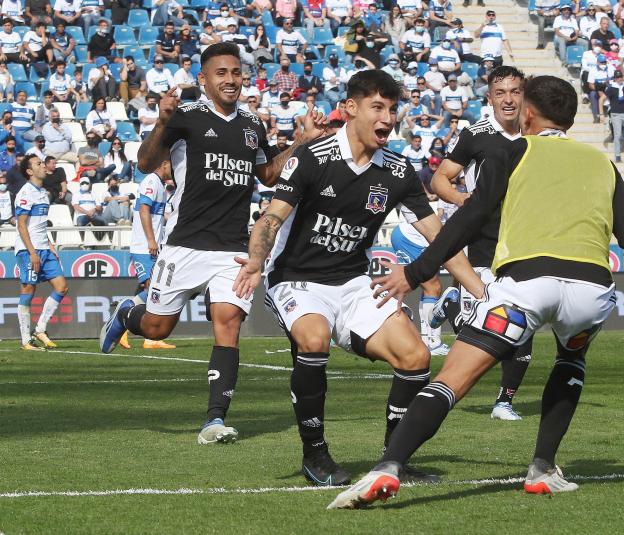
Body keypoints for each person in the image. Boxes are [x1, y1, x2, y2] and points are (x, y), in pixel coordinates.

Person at [328, 75, 624, 509]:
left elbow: (470, 218)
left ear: (527, 113)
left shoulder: (513, 150)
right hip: (590, 291)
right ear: (571, 118)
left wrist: (416, 272)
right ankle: (543, 468)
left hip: (524, 286)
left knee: (453, 380)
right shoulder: (603, 164)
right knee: (570, 360)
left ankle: (388, 467)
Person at [231, 69, 484, 487]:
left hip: (353, 281)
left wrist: (481, 292)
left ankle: (393, 457)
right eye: (377, 107)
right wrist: (256, 261)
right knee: (312, 340)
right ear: (351, 109)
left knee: (416, 357)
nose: (388, 117)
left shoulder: (399, 171)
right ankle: (315, 454)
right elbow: (271, 217)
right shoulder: (312, 156)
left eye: (392, 108)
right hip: (296, 278)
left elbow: (440, 239)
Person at [99, 42, 327, 446]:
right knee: (157, 325)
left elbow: (270, 175)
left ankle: (214, 420)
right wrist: (161, 123)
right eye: (221, 73)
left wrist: (302, 140)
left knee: (229, 323)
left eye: (236, 72)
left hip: (232, 249)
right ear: (204, 80)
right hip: (184, 244)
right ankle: (128, 314)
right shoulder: (185, 117)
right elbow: (146, 163)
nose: (231, 80)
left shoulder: (253, 125)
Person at [429, 66, 533, 421]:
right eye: (501, 92)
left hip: (526, 241)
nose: (508, 99)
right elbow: (441, 179)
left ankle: (504, 402)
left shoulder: (537, 135)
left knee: (524, 324)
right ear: (490, 98)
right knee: (491, 329)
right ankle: (456, 305)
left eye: (515, 92)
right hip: (486, 244)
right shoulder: (476, 135)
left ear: (524, 95)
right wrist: (466, 202)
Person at [119, 160, 177, 351]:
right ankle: (123, 317)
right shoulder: (151, 181)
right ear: (164, 163)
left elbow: (156, 216)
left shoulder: (160, 184)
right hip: (143, 246)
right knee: (152, 288)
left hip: (152, 246)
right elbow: (144, 210)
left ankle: (143, 333)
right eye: (172, 165)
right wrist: (151, 240)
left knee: (153, 289)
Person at [14, 155, 69, 350]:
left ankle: (40, 329)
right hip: (29, 249)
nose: (43, 165)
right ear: (29, 171)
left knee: (62, 287)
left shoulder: (43, 193)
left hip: (44, 247)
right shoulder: (25, 193)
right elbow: (21, 225)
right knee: (28, 289)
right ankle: (25, 340)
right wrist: (32, 252)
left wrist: (50, 244)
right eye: (38, 164)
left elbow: (40, 225)